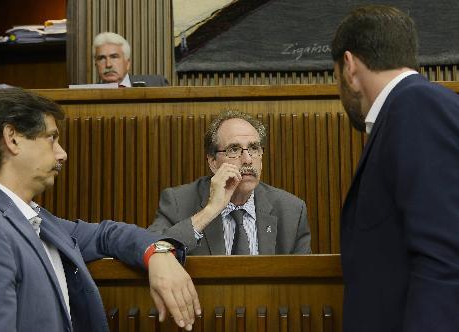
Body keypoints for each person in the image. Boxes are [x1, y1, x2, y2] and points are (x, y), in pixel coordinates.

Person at [0, 88, 200, 331]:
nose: (62, 154)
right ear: (12, 138)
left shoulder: (33, 219)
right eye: (51, 138)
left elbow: (106, 234)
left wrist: (158, 252)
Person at [331, 5, 459, 331]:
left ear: (349, 67)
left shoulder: (416, 106)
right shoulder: (407, 108)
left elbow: (442, 256)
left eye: (335, 78)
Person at [148, 110, 311, 255]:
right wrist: (210, 210)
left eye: (254, 148)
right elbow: (153, 251)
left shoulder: (292, 211)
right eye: (234, 150)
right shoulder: (178, 202)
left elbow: (302, 286)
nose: (247, 160)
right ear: (212, 161)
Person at [93, 32, 168, 87]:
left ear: (127, 63)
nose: (108, 64)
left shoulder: (157, 84)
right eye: (101, 58)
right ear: (96, 64)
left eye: (114, 57)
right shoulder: (89, 93)